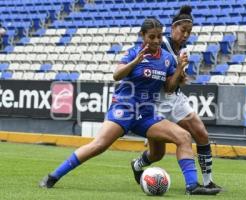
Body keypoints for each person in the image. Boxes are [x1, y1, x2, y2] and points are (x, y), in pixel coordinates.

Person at [39, 18, 217, 195]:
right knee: (99, 145)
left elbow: (169, 88)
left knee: (183, 137)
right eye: (151, 37)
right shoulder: (133, 53)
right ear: (143, 36)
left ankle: (192, 187)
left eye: (159, 37)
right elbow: (116, 75)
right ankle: (53, 176)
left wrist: (179, 69)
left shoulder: (168, 59)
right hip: (124, 109)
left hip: (147, 115)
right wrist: (136, 62)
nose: (156, 41)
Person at [131, 5, 222, 194]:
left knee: (201, 134)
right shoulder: (160, 44)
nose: (186, 35)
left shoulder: (183, 49)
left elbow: (176, 81)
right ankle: (138, 164)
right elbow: (164, 83)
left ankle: (208, 182)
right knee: (157, 154)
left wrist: (181, 74)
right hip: (156, 103)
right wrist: (178, 71)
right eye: (183, 30)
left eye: (189, 32)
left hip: (175, 99)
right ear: (173, 28)